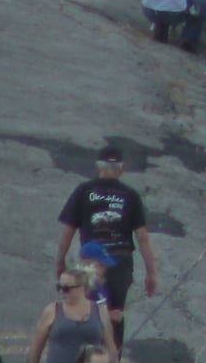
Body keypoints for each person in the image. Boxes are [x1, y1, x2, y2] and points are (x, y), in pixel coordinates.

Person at [55, 146, 158, 345]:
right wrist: (151, 272)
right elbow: (142, 237)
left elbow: (69, 229)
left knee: (86, 307)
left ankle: (87, 361)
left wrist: (60, 262)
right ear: (121, 169)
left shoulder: (84, 191)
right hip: (120, 260)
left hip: (90, 261)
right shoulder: (130, 195)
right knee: (115, 313)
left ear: (98, 167)